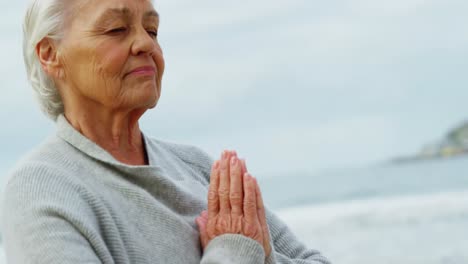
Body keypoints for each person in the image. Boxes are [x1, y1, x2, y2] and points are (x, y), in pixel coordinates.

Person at [0, 0, 331, 263]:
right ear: (50, 54)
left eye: (153, 30)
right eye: (116, 29)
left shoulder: (197, 166)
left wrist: (261, 255)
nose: (145, 43)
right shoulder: (40, 189)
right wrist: (235, 249)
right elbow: (240, 248)